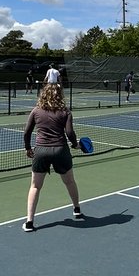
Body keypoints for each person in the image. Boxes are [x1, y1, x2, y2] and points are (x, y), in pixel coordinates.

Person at [21, 83, 84, 231]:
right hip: (61, 151)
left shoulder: (36, 111)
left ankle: (29, 221)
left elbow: (26, 133)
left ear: (43, 94)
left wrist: (28, 148)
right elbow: (69, 133)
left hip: (41, 151)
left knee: (35, 186)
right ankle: (76, 209)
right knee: (69, 182)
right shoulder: (65, 112)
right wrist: (76, 145)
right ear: (60, 95)